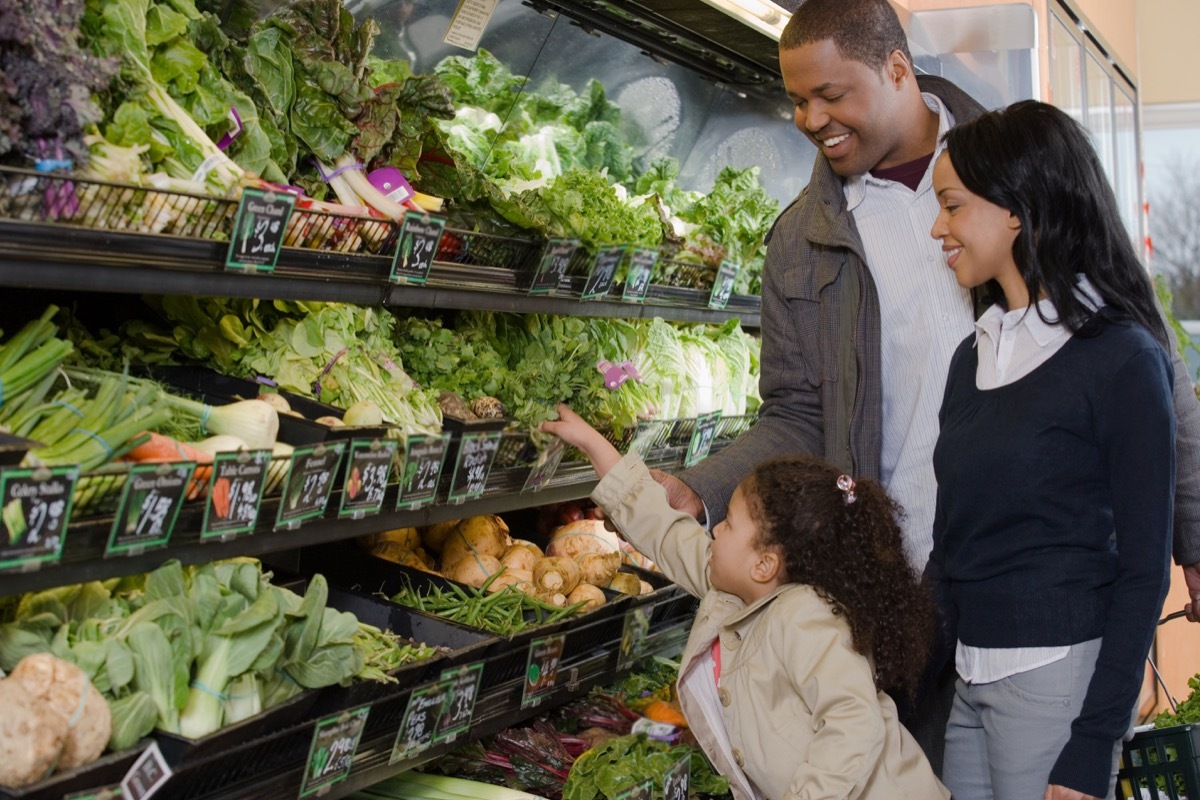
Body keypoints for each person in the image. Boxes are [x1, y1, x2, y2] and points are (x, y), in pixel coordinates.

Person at [644, 0, 1200, 769]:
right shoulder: (800, 243)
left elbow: (1148, 368)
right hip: (898, 599)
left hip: (1043, 591)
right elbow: (796, 413)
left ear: (897, 69)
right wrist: (700, 490)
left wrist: (1192, 534)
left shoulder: (1018, 170)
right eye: (797, 100)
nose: (810, 118)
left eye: (830, 95)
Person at [926, 100, 1175, 800]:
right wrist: (896, 675)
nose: (937, 228)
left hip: (1056, 683)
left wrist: (1094, 744)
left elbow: (1142, 573)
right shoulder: (970, 358)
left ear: (1015, 210)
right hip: (968, 679)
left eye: (951, 205)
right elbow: (953, 549)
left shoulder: (1120, 360)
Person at [540, 404, 949, 800]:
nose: (714, 529)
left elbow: (854, 723)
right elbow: (668, 534)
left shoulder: (806, 618)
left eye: (729, 522)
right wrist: (595, 446)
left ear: (765, 564)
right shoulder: (735, 590)